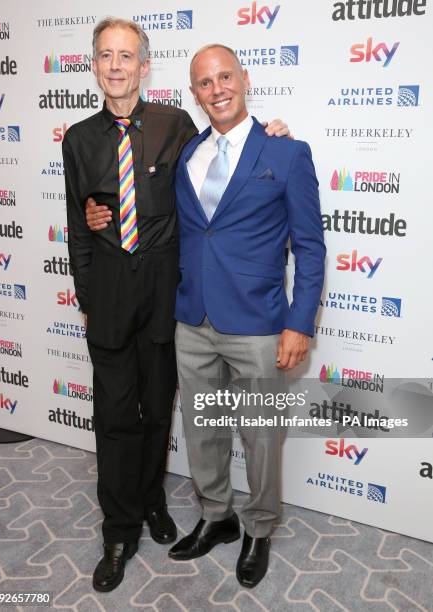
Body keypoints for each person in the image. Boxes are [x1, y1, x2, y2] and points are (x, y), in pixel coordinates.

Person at [64, 18, 290, 593]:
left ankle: (152, 504)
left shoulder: (177, 123)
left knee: (159, 413)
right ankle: (119, 531)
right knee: (115, 418)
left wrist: (274, 138)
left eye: (127, 57)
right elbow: (77, 225)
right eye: (105, 56)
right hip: (111, 301)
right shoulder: (80, 139)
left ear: (145, 67)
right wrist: (88, 297)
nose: (116, 66)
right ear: (95, 66)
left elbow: (223, 162)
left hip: (170, 301)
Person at [165, 44, 326, 588]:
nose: (217, 90)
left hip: (258, 325)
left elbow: (310, 246)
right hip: (192, 320)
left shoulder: (286, 153)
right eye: (205, 83)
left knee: (260, 437)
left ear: (244, 78)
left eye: (225, 77)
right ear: (195, 94)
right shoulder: (188, 153)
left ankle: (259, 526)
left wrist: (299, 323)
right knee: (202, 428)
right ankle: (217, 517)